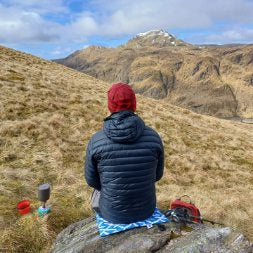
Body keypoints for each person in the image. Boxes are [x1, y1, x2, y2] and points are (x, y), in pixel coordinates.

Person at [84, 83, 164, 224]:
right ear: (134, 104)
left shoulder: (96, 140)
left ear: (110, 106)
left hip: (112, 214)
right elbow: (157, 176)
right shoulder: (154, 137)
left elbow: (91, 180)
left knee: (98, 191)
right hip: (146, 211)